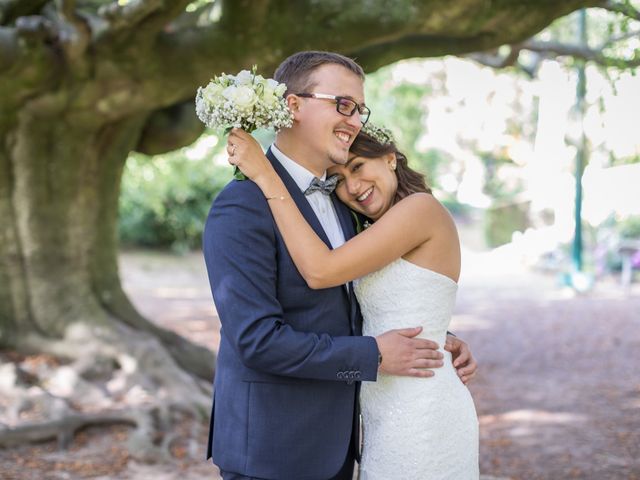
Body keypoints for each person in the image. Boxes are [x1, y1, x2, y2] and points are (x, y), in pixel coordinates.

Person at [203, 51, 477, 480]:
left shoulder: (344, 201)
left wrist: (435, 333)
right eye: (342, 104)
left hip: (344, 448)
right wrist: (371, 355)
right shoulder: (241, 205)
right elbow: (256, 340)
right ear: (292, 106)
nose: (354, 120)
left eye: (359, 110)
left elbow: (357, 297)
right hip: (273, 451)